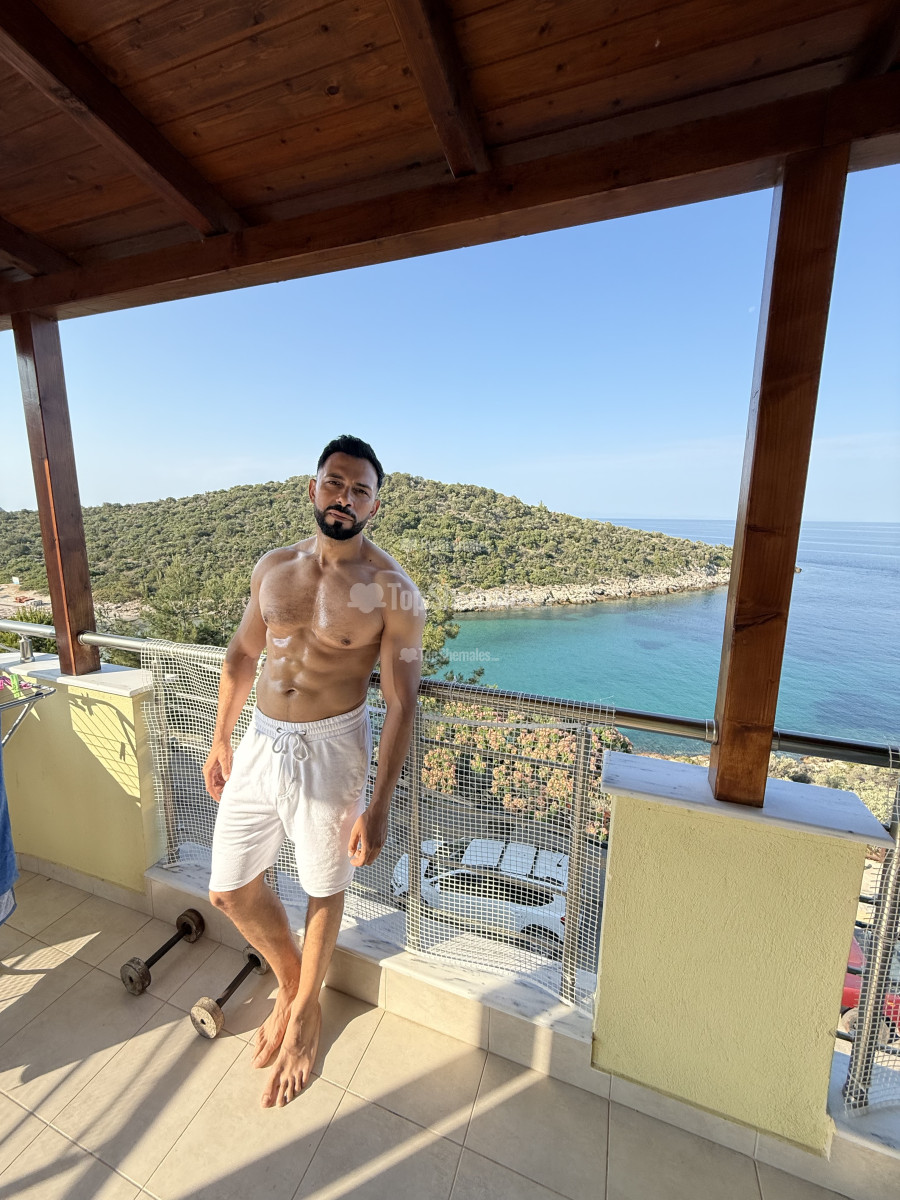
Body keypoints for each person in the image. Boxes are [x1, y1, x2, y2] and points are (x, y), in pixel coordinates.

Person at [203, 434, 424, 1109]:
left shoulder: (393, 592)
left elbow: (402, 703)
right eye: (335, 483)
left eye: (359, 490)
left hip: (333, 747)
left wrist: (380, 805)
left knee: (323, 887)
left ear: (374, 506)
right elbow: (242, 655)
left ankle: (303, 1016)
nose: (344, 498)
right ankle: (295, 982)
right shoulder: (274, 569)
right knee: (229, 889)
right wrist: (221, 737)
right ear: (314, 488)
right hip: (262, 739)